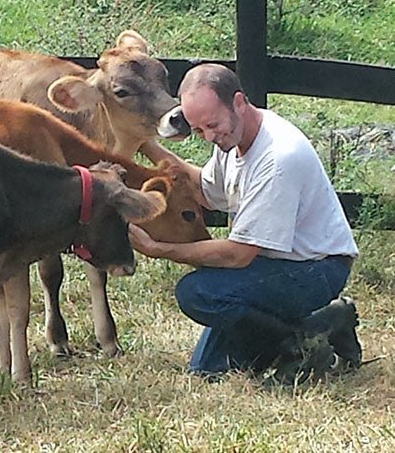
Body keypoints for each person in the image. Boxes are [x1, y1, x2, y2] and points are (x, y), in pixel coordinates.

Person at [131, 63, 361, 381]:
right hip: (274, 265)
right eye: (199, 131)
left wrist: (158, 248)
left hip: (315, 269)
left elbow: (238, 255)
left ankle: (303, 343)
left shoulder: (277, 158)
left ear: (238, 102)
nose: (210, 137)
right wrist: (144, 145)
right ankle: (328, 322)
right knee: (207, 371)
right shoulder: (233, 138)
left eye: (212, 124)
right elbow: (205, 191)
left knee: (198, 293)